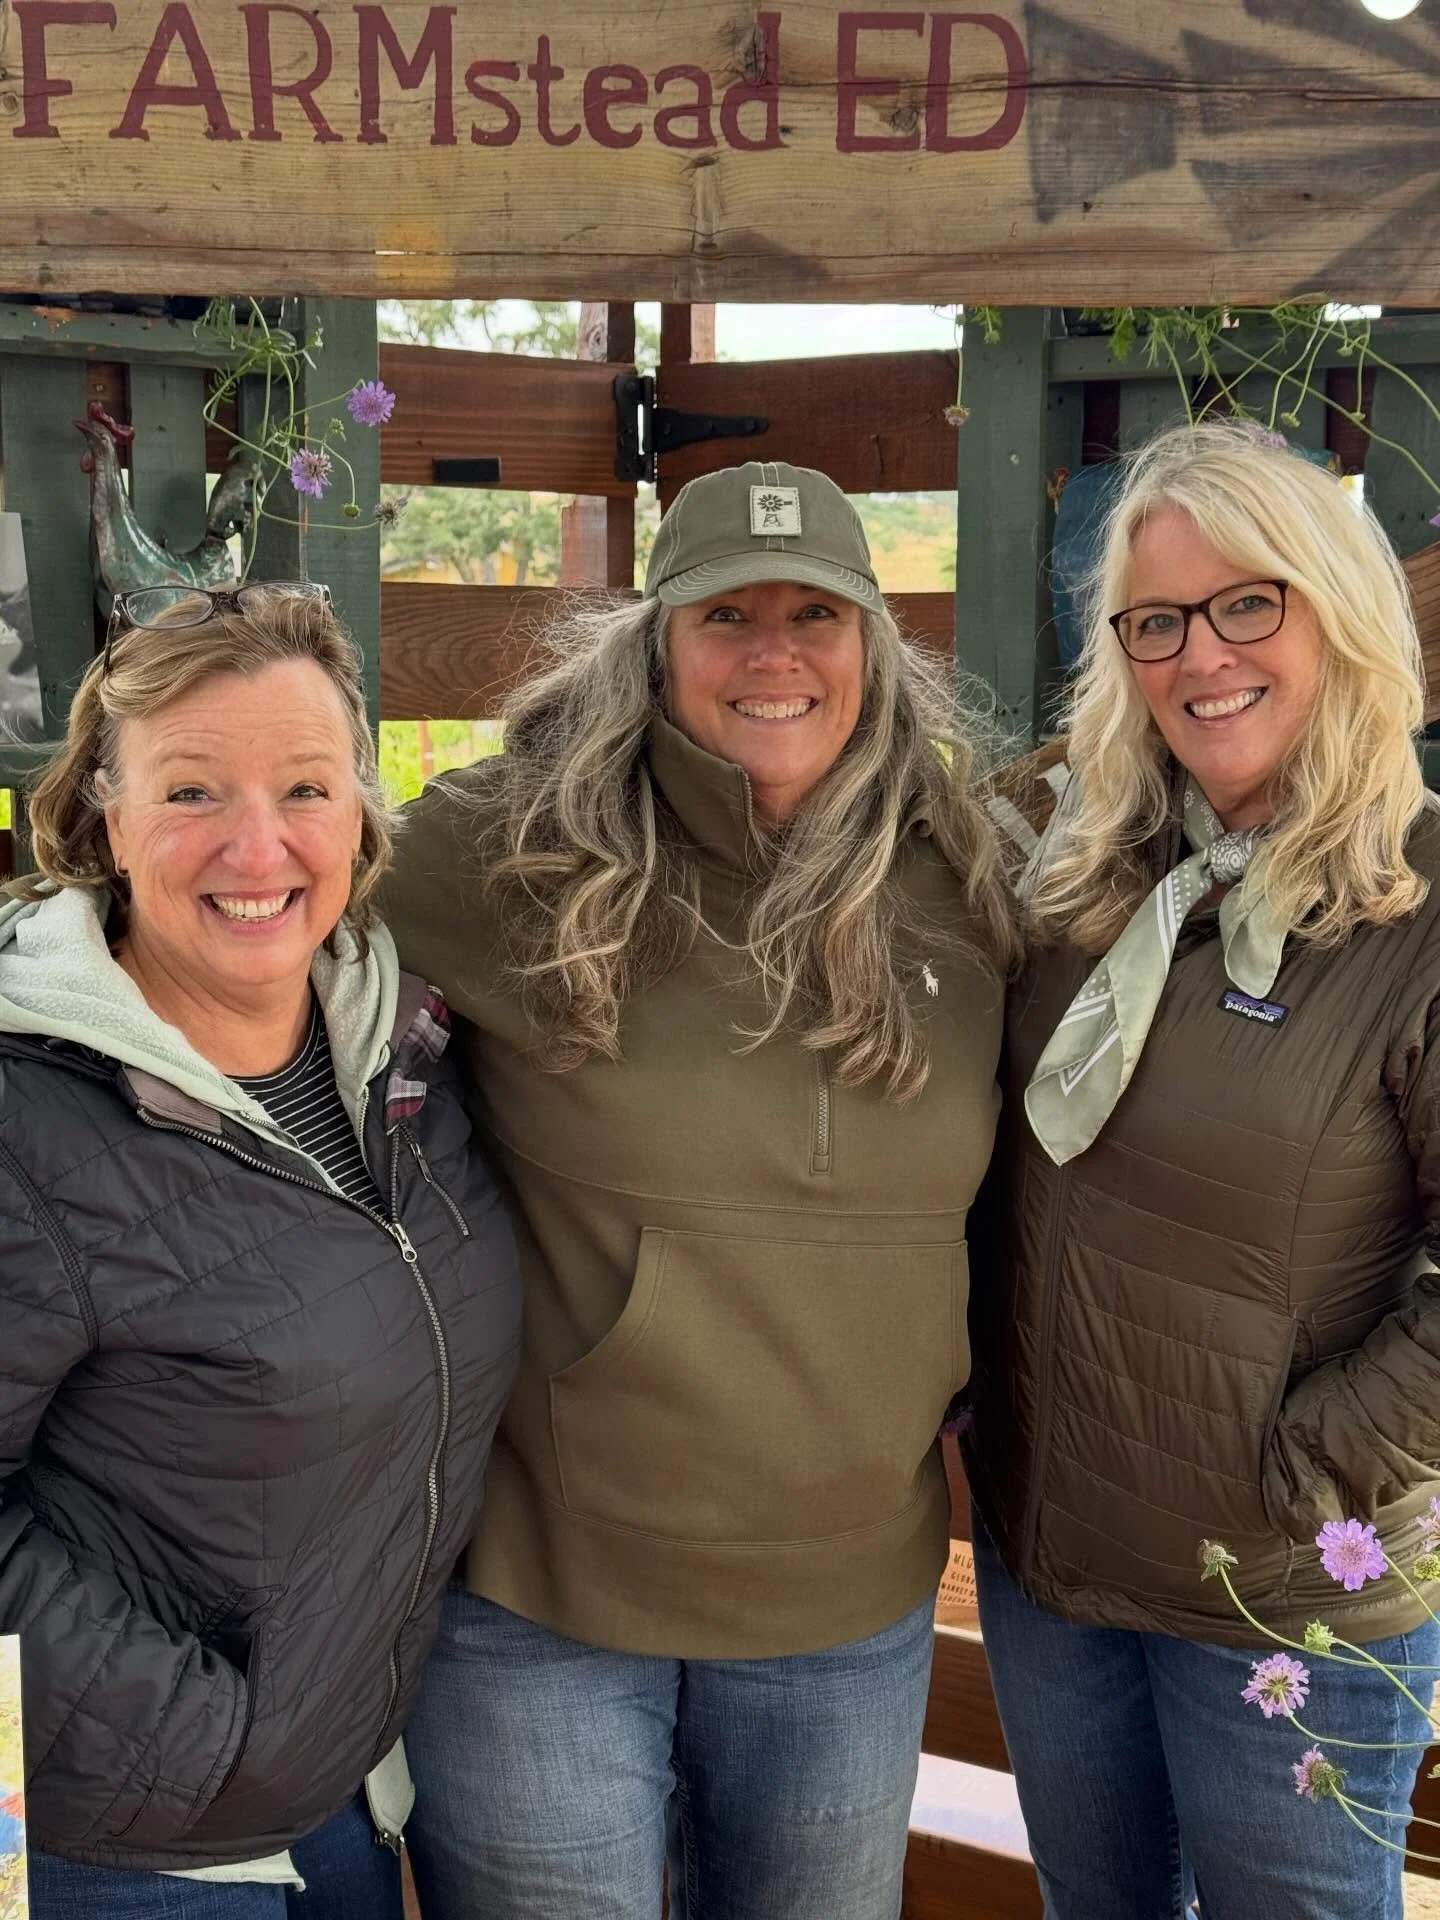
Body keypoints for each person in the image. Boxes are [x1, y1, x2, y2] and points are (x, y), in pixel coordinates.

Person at [381, 460, 1018, 1920]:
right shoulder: (501, 850)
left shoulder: (979, 877)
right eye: (728, 613)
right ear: (656, 643)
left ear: (875, 644)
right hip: (543, 1594)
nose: (775, 652)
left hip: (846, 1611)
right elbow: (258, 940)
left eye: (818, 613)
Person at [963, 420, 1440, 1920]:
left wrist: (1307, 1471)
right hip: (1057, 1571)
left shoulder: (1417, 909)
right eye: (1155, 620)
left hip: (1279, 1599)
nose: (1200, 655)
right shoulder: (1073, 868)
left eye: (1251, 603)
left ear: (1339, 611)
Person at [0, 583, 521, 1917]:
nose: (257, 845)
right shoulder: (26, 1110)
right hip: (119, 1850)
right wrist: (202, 1738)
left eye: (304, 788)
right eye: (189, 793)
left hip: (340, 1806)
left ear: (361, 812)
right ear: (105, 819)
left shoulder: (401, 1059)